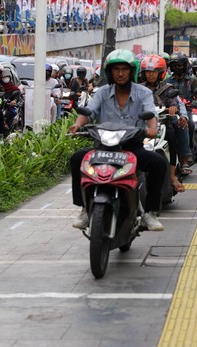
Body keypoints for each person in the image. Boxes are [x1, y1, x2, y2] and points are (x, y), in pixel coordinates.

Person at [69, 49, 168, 231]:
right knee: (77, 159)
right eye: (116, 69)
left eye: (124, 69)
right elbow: (90, 112)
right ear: (110, 72)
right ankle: (84, 209)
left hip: (131, 148)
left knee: (159, 163)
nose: (120, 73)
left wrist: (152, 128)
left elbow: (150, 114)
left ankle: (150, 213)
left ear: (132, 71)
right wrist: (77, 124)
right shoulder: (102, 92)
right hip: (103, 147)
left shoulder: (143, 93)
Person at [139, 54, 189, 192]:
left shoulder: (167, 88)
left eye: (153, 72)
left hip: (162, 124)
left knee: (171, 137)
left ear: (160, 73)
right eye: (148, 72)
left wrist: (173, 108)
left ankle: (172, 176)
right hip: (142, 125)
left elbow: (174, 102)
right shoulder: (138, 89)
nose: (150, 75)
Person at [167, 52, 196, 172]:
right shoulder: (167, 81)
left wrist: (196, 102)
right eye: (173, 66)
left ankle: (185, 160)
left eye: (179, 65)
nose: (176, 68)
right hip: (167, 112)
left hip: (186, 110)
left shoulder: (192, 80)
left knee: (188, 124)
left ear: (184, 65)